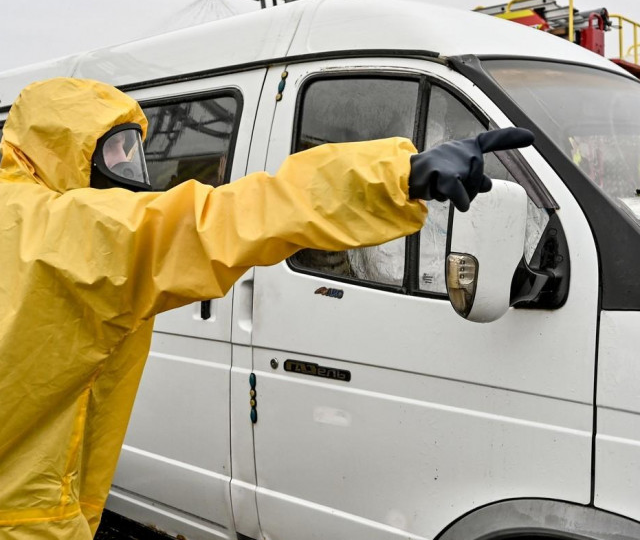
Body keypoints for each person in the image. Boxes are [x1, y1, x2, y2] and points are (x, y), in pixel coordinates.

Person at [0, 77, 533, 539]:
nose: (130, 172)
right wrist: (399, 177)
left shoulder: (23, 219)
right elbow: (236, 215)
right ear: (59, 149)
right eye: (113, 153)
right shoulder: (68, 233)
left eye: (133, 152)